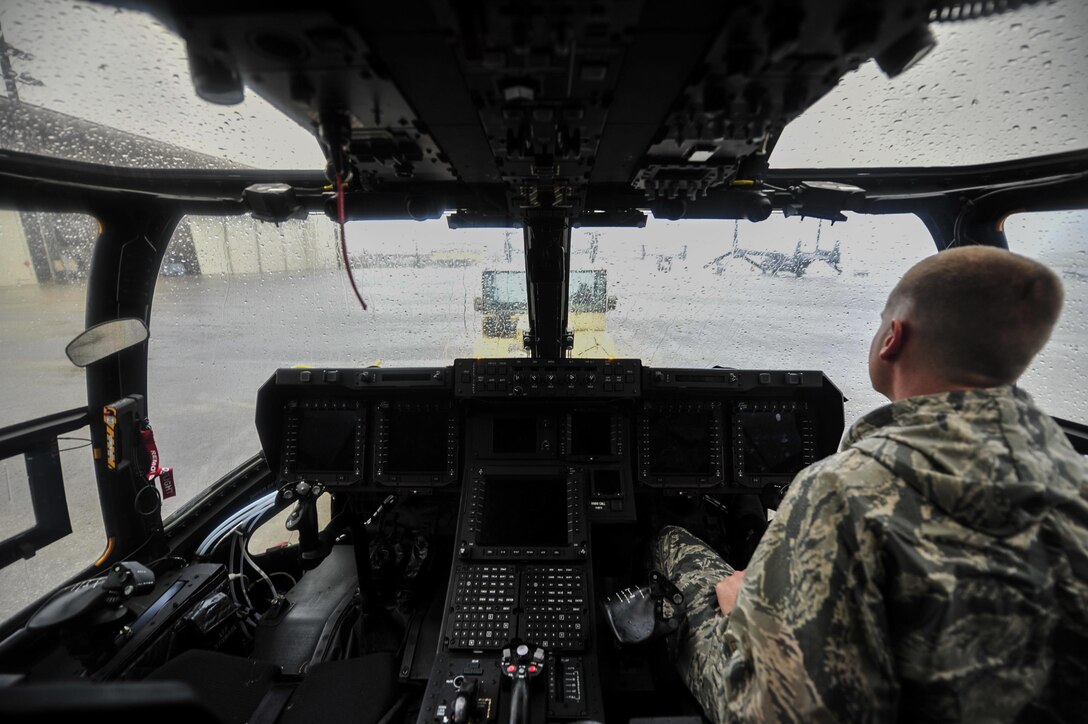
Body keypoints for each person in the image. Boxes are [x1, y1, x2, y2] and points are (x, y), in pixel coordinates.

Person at [653, 245, 1088, 722]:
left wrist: (740, 618)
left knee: (672, 543)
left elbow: (769, 713)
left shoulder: (842, 491)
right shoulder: (1076, 479)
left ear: (892, 338)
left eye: (882, 320)